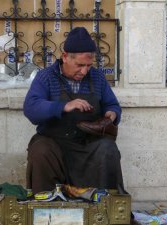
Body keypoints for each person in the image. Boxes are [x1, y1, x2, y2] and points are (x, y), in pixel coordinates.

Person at [23, 27, 124, 195]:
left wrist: (112, 114)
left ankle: (105, 208)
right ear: (65, 57)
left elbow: (112, 104)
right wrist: (63, 106)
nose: (84, 71)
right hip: (54, 143)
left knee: (108, 149)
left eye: (88, 66)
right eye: (79, 65)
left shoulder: (97, 77)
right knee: (41, 150)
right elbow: (31, 108)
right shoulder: (46, 77)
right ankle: (46, 211)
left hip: (88, 144)